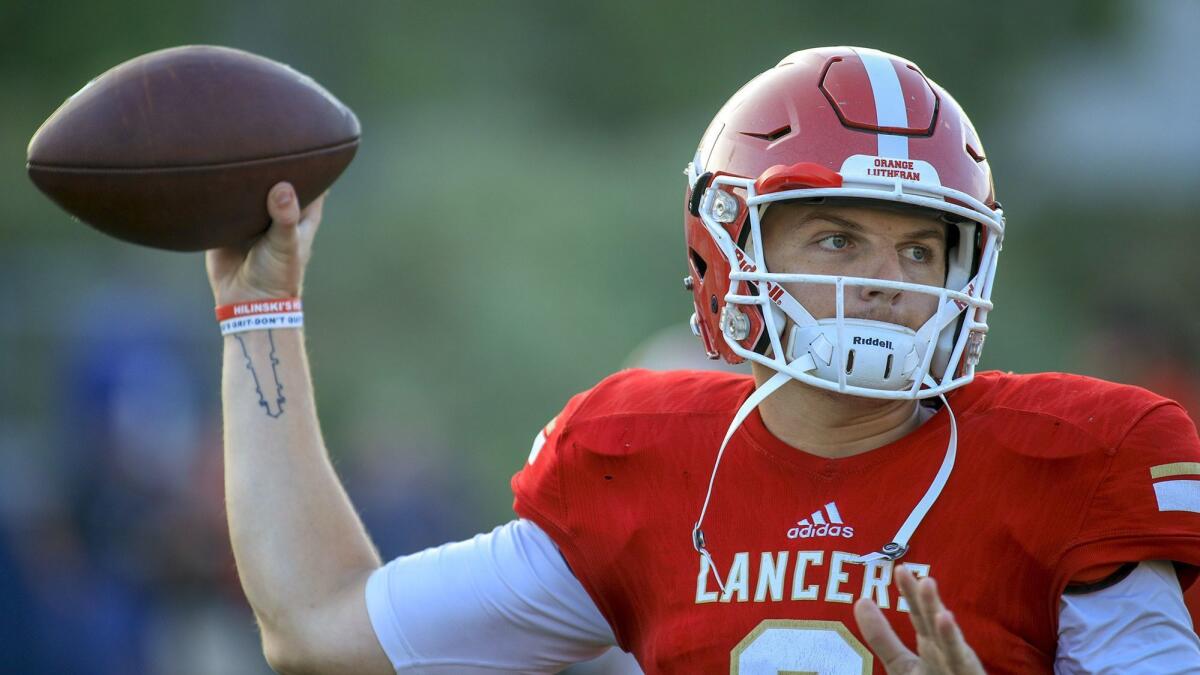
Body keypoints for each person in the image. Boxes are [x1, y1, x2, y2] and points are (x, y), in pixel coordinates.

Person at [205, 47, 1200, 674]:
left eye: (921, 246)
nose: (891, 280)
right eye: (836, 239)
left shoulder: (1077, 462)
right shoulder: (650, 462)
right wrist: (261, 312)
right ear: (731, 248)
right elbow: (317, 627)